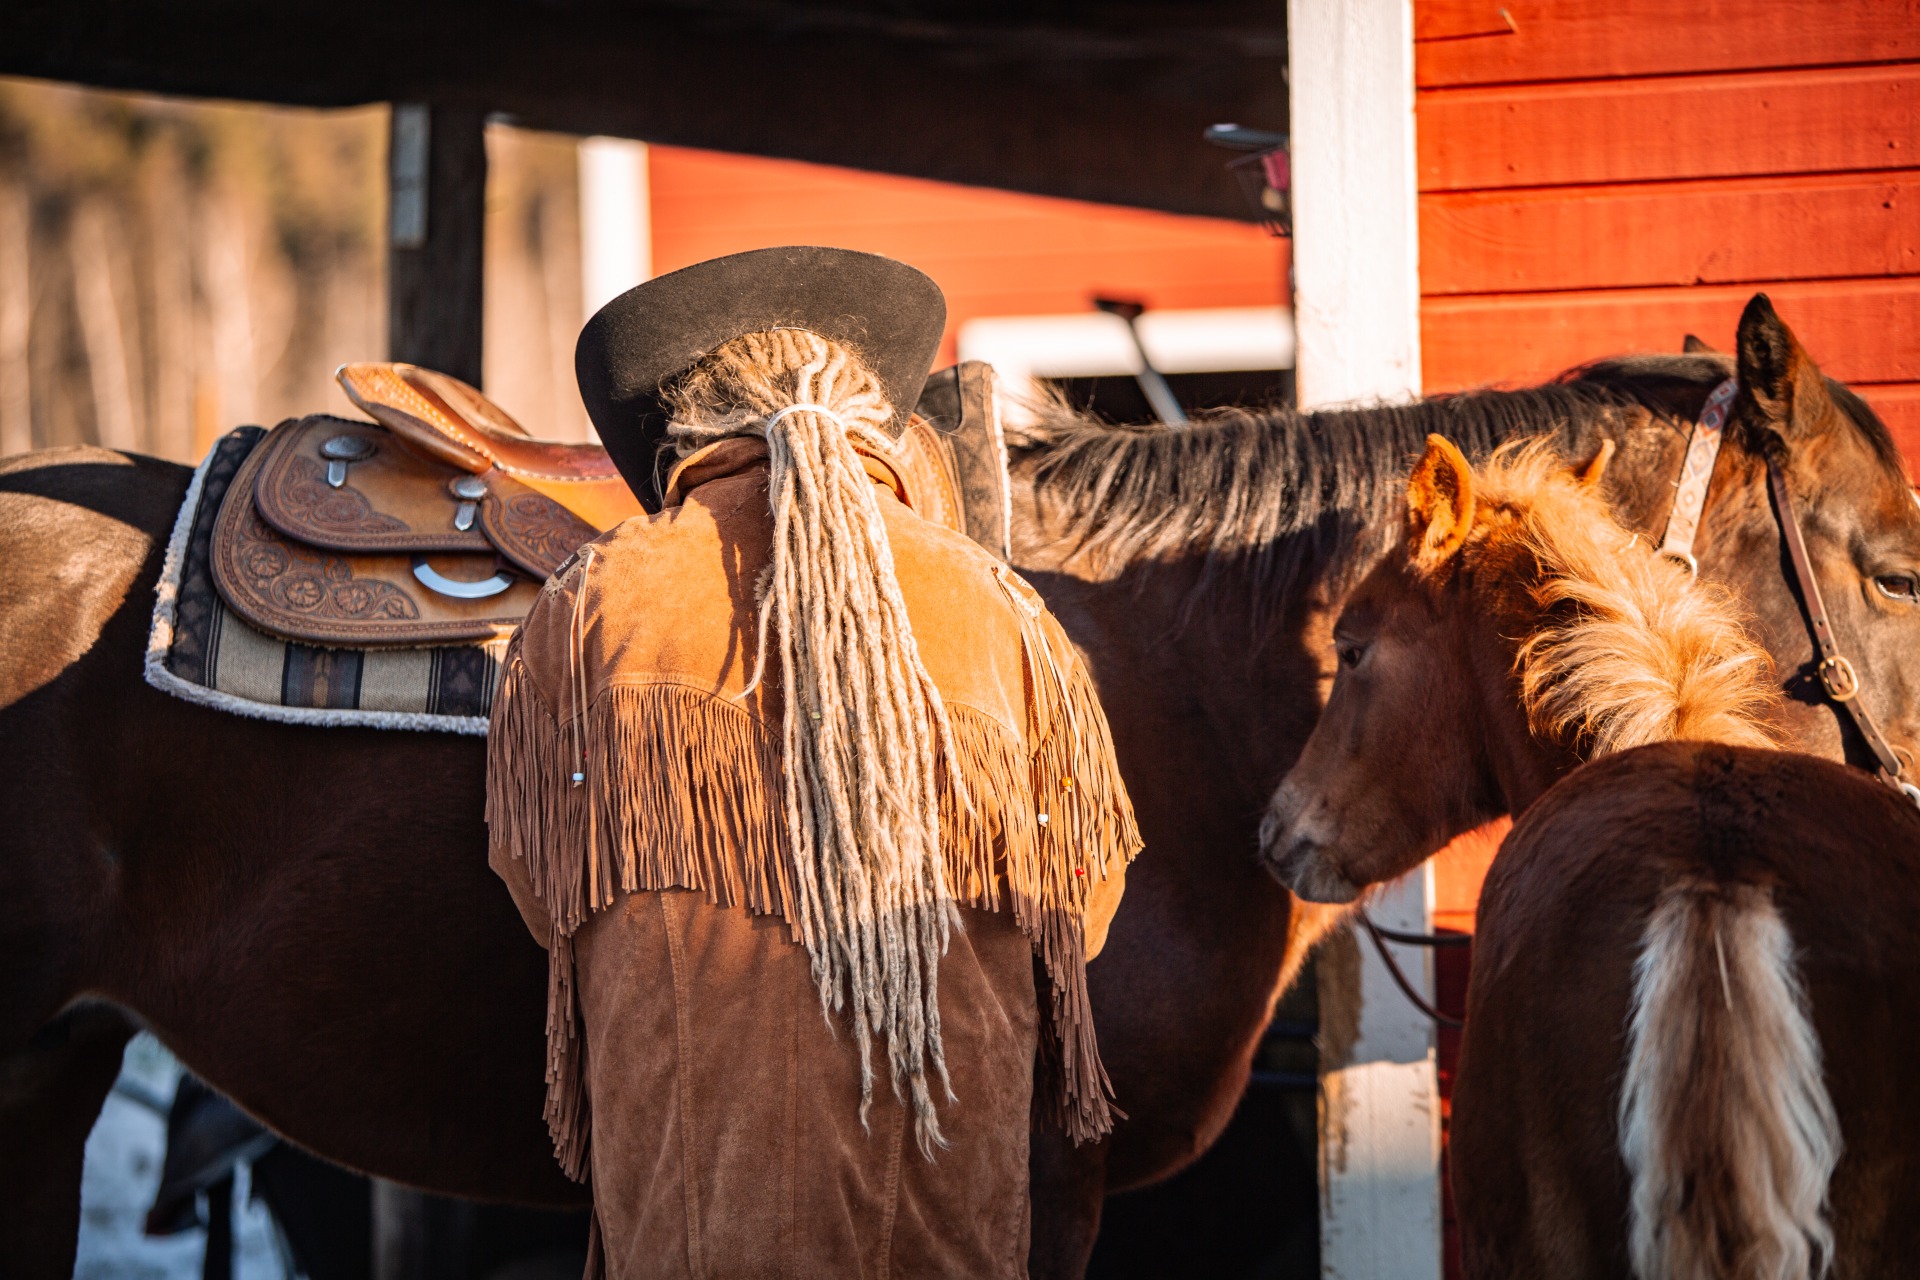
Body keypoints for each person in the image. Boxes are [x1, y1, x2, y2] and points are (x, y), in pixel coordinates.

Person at [485, 247, 1140, 1278]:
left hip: (698, 1226)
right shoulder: (1006, 612)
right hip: (946, 1229)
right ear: (871, 417)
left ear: (688, 424)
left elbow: (536, 887)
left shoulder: (592, 603)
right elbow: (1084, 913)